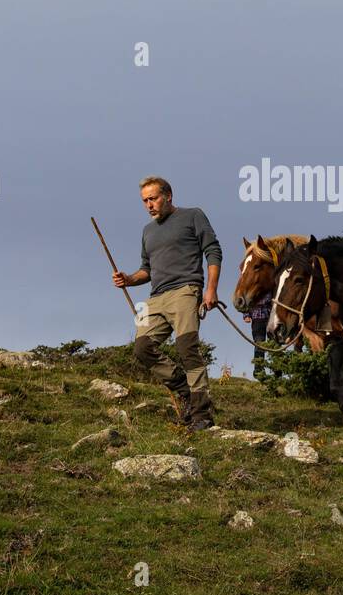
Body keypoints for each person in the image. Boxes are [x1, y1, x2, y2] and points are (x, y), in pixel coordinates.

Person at [112, 176, 221, 431]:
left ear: (168, 196)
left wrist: (211, 290)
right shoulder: (147, 231)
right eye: (145, 201)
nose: (149, 205)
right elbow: (146, 270)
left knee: (187, 349)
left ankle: (202, 415)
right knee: (142, 347)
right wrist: (128, 279)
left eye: (153, 198)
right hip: (156, 297)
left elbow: (213, 251)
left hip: (185, 290)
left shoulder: (193, 215)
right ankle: (185, 391)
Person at [244, 292, 273, 364]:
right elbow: (246, 302)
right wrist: (246, 315)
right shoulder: (252, 289)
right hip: (257, 319)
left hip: (271, 319)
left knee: (274, 342)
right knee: (259, 343)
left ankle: (277, 370)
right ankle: (259, 370)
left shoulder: (270, 287)